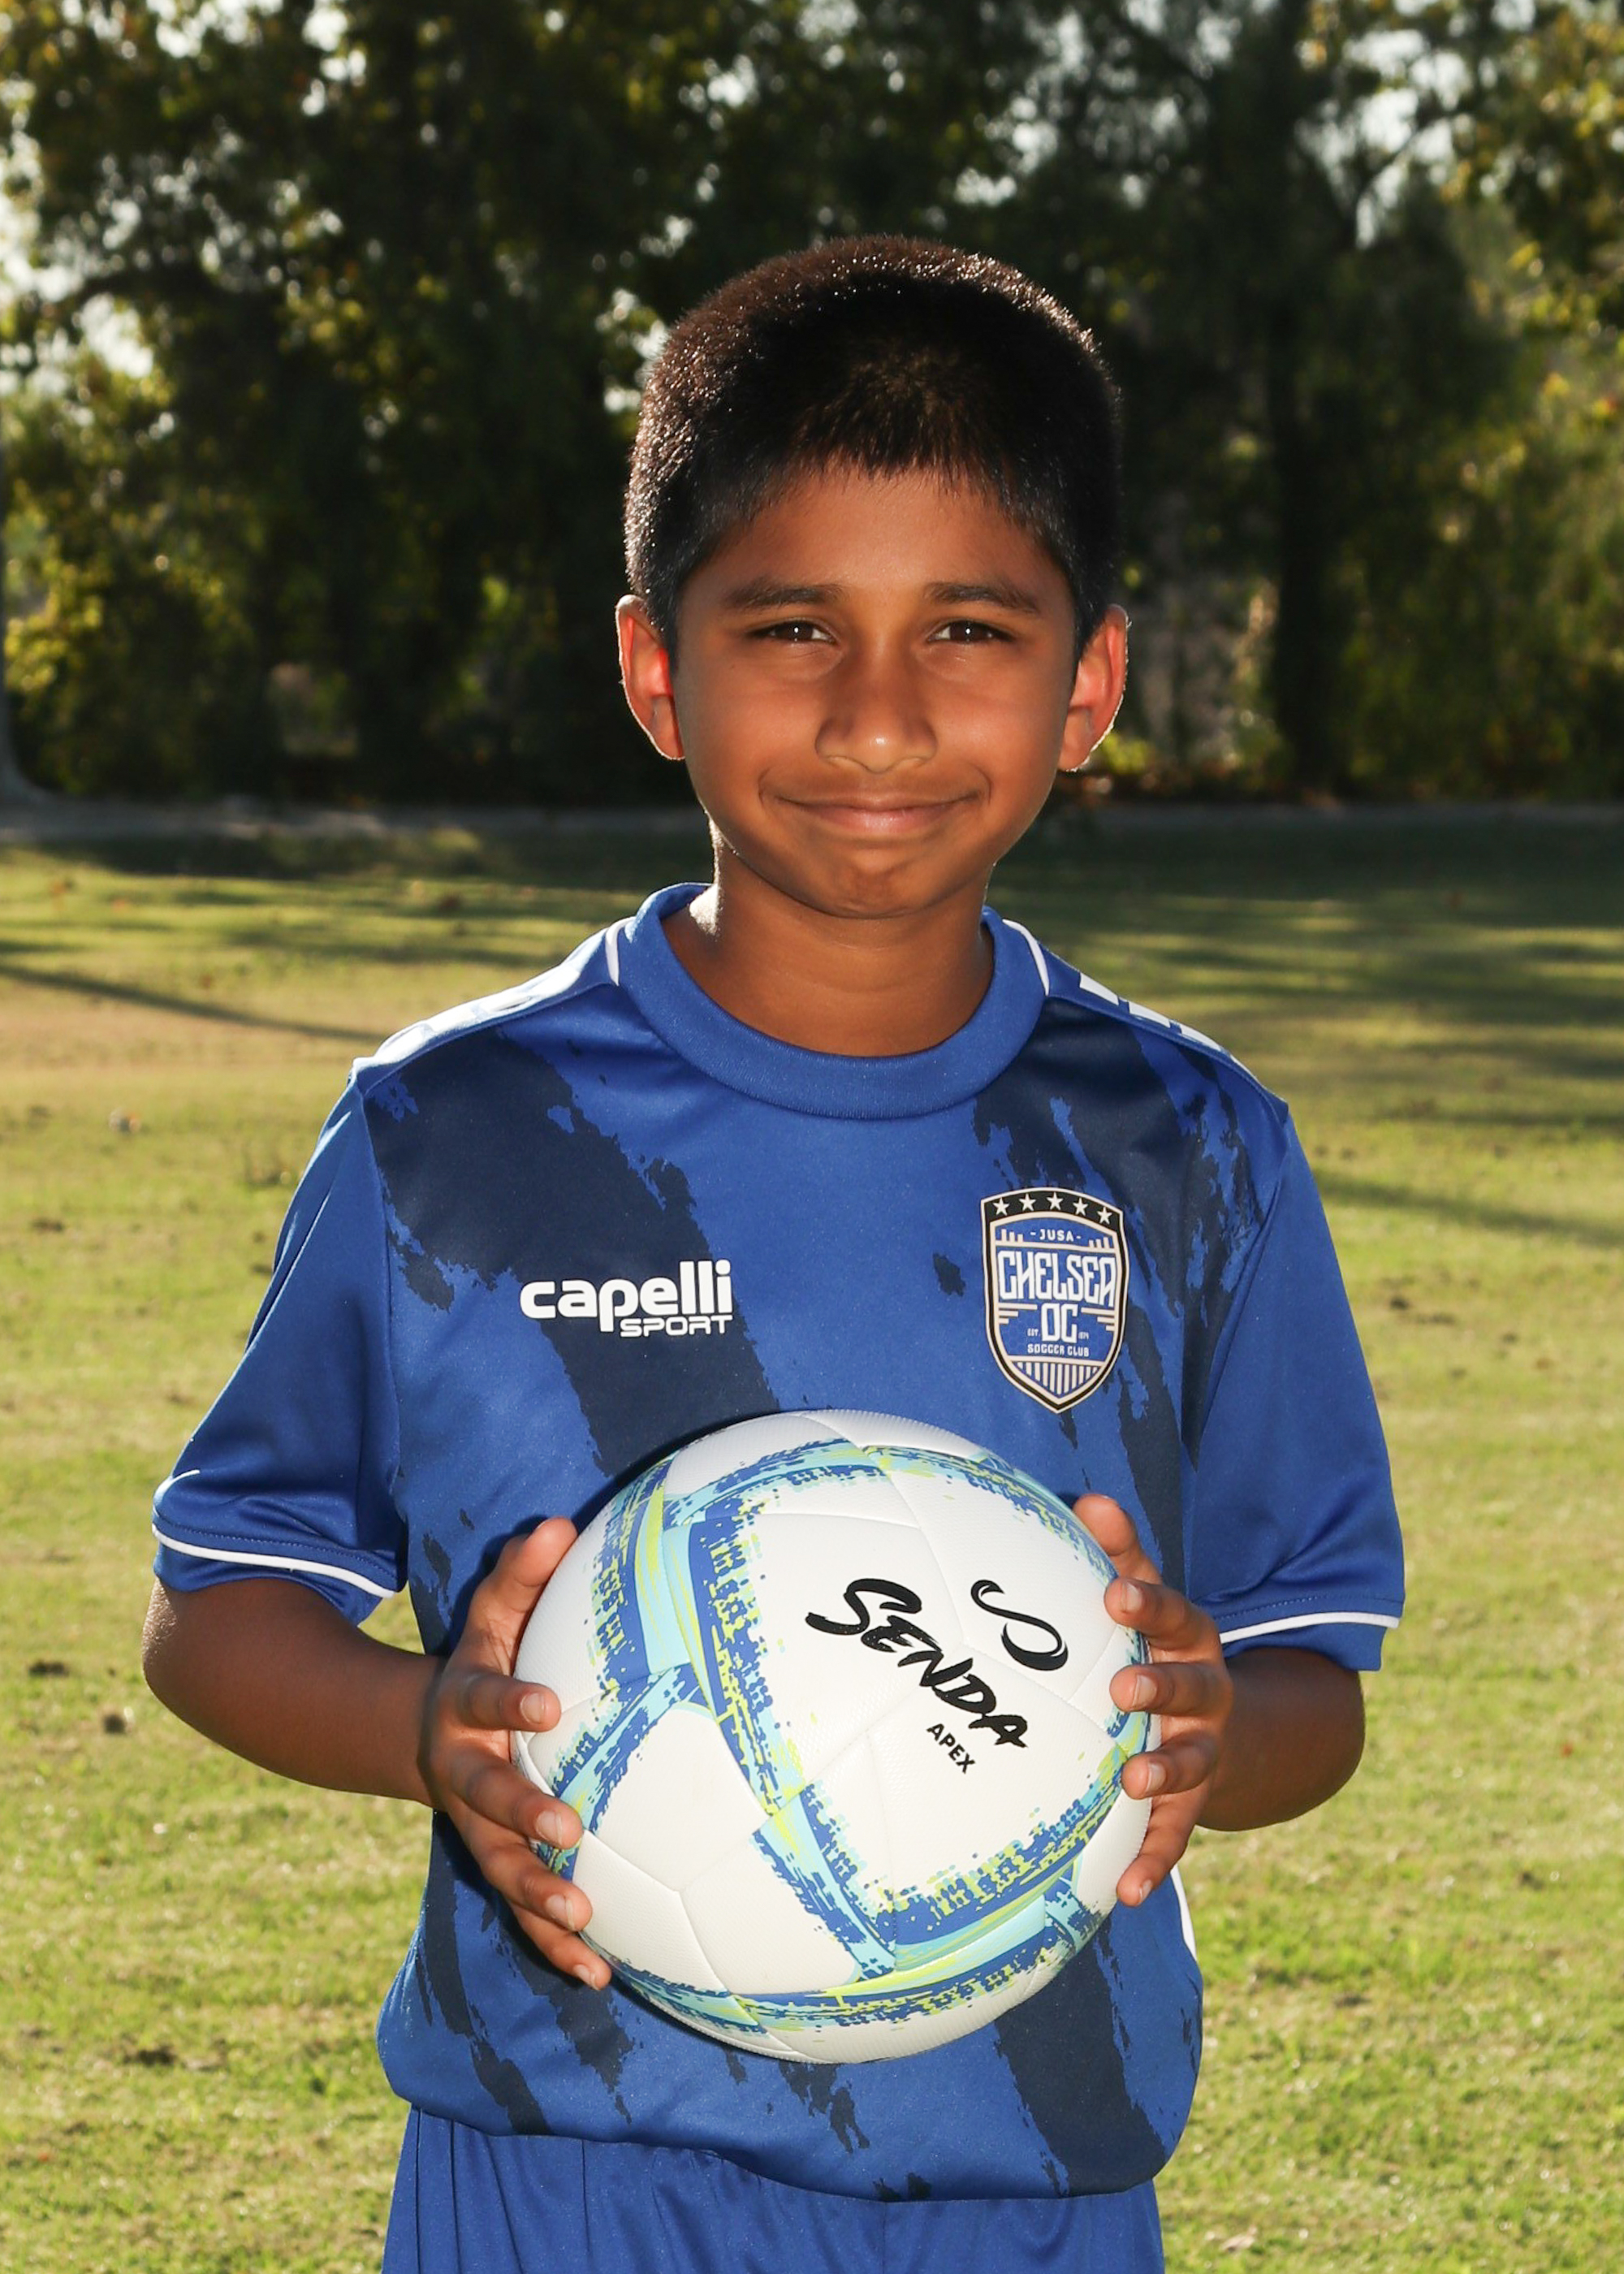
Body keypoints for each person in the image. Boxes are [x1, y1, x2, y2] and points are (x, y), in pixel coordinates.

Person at [143, 237, 1403, 2274]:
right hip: (559, 2179)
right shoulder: (455, 1133)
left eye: (967, 628)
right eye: (793, 624)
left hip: (1027, 2193)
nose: (876, 713)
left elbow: (1309, 1675)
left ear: (1088, 684)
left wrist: (1209, 1726)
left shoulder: (1188, 1149)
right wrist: (426, 1728)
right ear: (657, 669)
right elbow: (215, 1608)